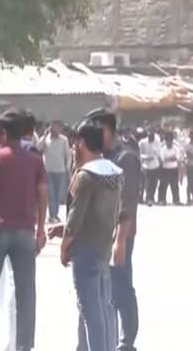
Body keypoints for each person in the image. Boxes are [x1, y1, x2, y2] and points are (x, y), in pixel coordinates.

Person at [0, 111, 48, 351]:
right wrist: (41, 230)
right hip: (25, 230)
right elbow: (43, 196)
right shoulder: (35, 160)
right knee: (27, 294)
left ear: (4, 133)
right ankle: (24, 346)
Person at [81, 108, 142, 351]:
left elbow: (127, 202)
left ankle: (127, 340)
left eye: (96, 130)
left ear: (107, 129)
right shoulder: (100, 158)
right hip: (99, 233)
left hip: (120, 233)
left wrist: (121, 239)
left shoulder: (125, 157)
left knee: (121, 284)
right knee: (103, 289)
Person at [59, 121, 121, 351]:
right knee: (104, 309)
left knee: (90, 312)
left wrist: (64, 246)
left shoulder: (85, 176)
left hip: (84, 251)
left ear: (81, 143)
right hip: (103, 248)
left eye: (76, 143)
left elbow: (75, 220)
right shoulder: (115, 173)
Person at [41, 121, 70, 223]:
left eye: (58, 127)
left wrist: (67, 168)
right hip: (48, 170)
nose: (55, 129)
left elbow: (68, 154)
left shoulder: (64, 140)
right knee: (51, 193)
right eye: (53, 127)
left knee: (57, 194)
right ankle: (52, 215)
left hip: (60, 170)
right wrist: (44, 136)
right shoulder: (46, 139)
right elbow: (38, 148)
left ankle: (55, 214)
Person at [158, 129, 182, 205]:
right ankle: (161, 200)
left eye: (170, 140)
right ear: (166, 141)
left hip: (174, 169)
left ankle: (176, 200)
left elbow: (177, 158)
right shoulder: (162, 149)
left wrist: (169, 158)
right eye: (168, 140)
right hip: (165, 169)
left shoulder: (176, 148)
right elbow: (163, 160)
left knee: (175, 186)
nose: (169, 142)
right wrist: (172, 158)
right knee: (163, 186)